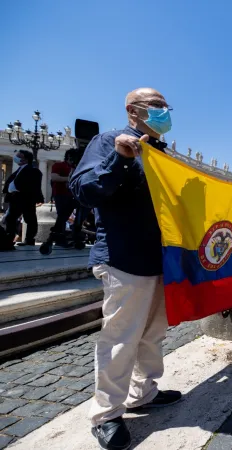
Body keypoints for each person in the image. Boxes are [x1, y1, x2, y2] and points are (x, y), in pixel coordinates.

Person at [70, 88, 181, 450]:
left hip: (160, 259)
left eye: (166, 106)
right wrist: (119, 158)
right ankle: (106, 414)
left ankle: (143, 392)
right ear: (133, 111)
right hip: (124, 257)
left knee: (152, 334)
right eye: (157, 106)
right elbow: (84, 190)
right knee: (120, 338)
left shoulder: (163, 153)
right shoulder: (108, 142)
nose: (165, 112)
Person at [1, 150, 43, 250]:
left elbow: (33, 185)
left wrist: (19, 190)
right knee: (10, 218)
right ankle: (9, 238)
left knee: (30, 218)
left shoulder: (33, 170)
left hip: (25, 198)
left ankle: (29, 239)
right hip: (14, 198)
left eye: (19, 156)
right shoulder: (19, 169)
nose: (16, 157)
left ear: (25, 159)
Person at [50, 149, 78, 240]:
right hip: (61, 193)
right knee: (62, 214)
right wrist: (70, 179)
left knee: (65, 216)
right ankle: (58, 234)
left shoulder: (78, 167)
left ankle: (60, 233)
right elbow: (54, 177)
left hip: (74, 194)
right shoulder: (59, 165)